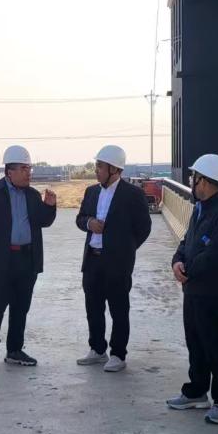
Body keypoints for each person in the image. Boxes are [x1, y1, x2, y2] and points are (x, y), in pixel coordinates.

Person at [166, 154, 218, 424]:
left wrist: (187, 270)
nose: (192, 182)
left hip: (211, 292)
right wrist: (177, 261)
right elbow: (187, 242)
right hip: (193, 290)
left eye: (194, 178)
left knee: (215, 347)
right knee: (195, 343)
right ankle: (197, 391)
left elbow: (216, 254)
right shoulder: (199, 209)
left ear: (206, 181)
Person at [0, 145, 57, 367]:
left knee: (21, 307)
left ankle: (15, 350)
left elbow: (43, 221)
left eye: (29, 168)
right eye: (24, 169)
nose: (29, 173)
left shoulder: (32, 195)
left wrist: (50, 207)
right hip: (1, 260)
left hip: (27, 260)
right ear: (10, 171)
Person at [74, 145, 152, 372]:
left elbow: (144, 228)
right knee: (93, 308)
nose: (96, 170)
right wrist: (89, 223)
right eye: (96, 165)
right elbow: (80, 218)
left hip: (117, 263)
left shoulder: (133, 195)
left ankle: (118, 354)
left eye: (100, 166)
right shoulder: (91, 192)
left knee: (119, 309)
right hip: (93, 260)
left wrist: (126, 249)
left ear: (115, 169)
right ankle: (98, 349)